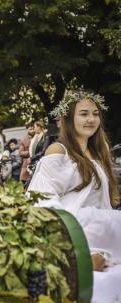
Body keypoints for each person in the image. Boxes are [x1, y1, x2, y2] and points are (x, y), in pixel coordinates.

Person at [27, 90, 121, 272]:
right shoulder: (59, 151)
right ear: (69, 118)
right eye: (84, 114)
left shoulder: (100, 151)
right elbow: (41, 199)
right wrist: (75, 242)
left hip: (102, 229)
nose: (91, 119)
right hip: (76, 231)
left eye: (95, 114)